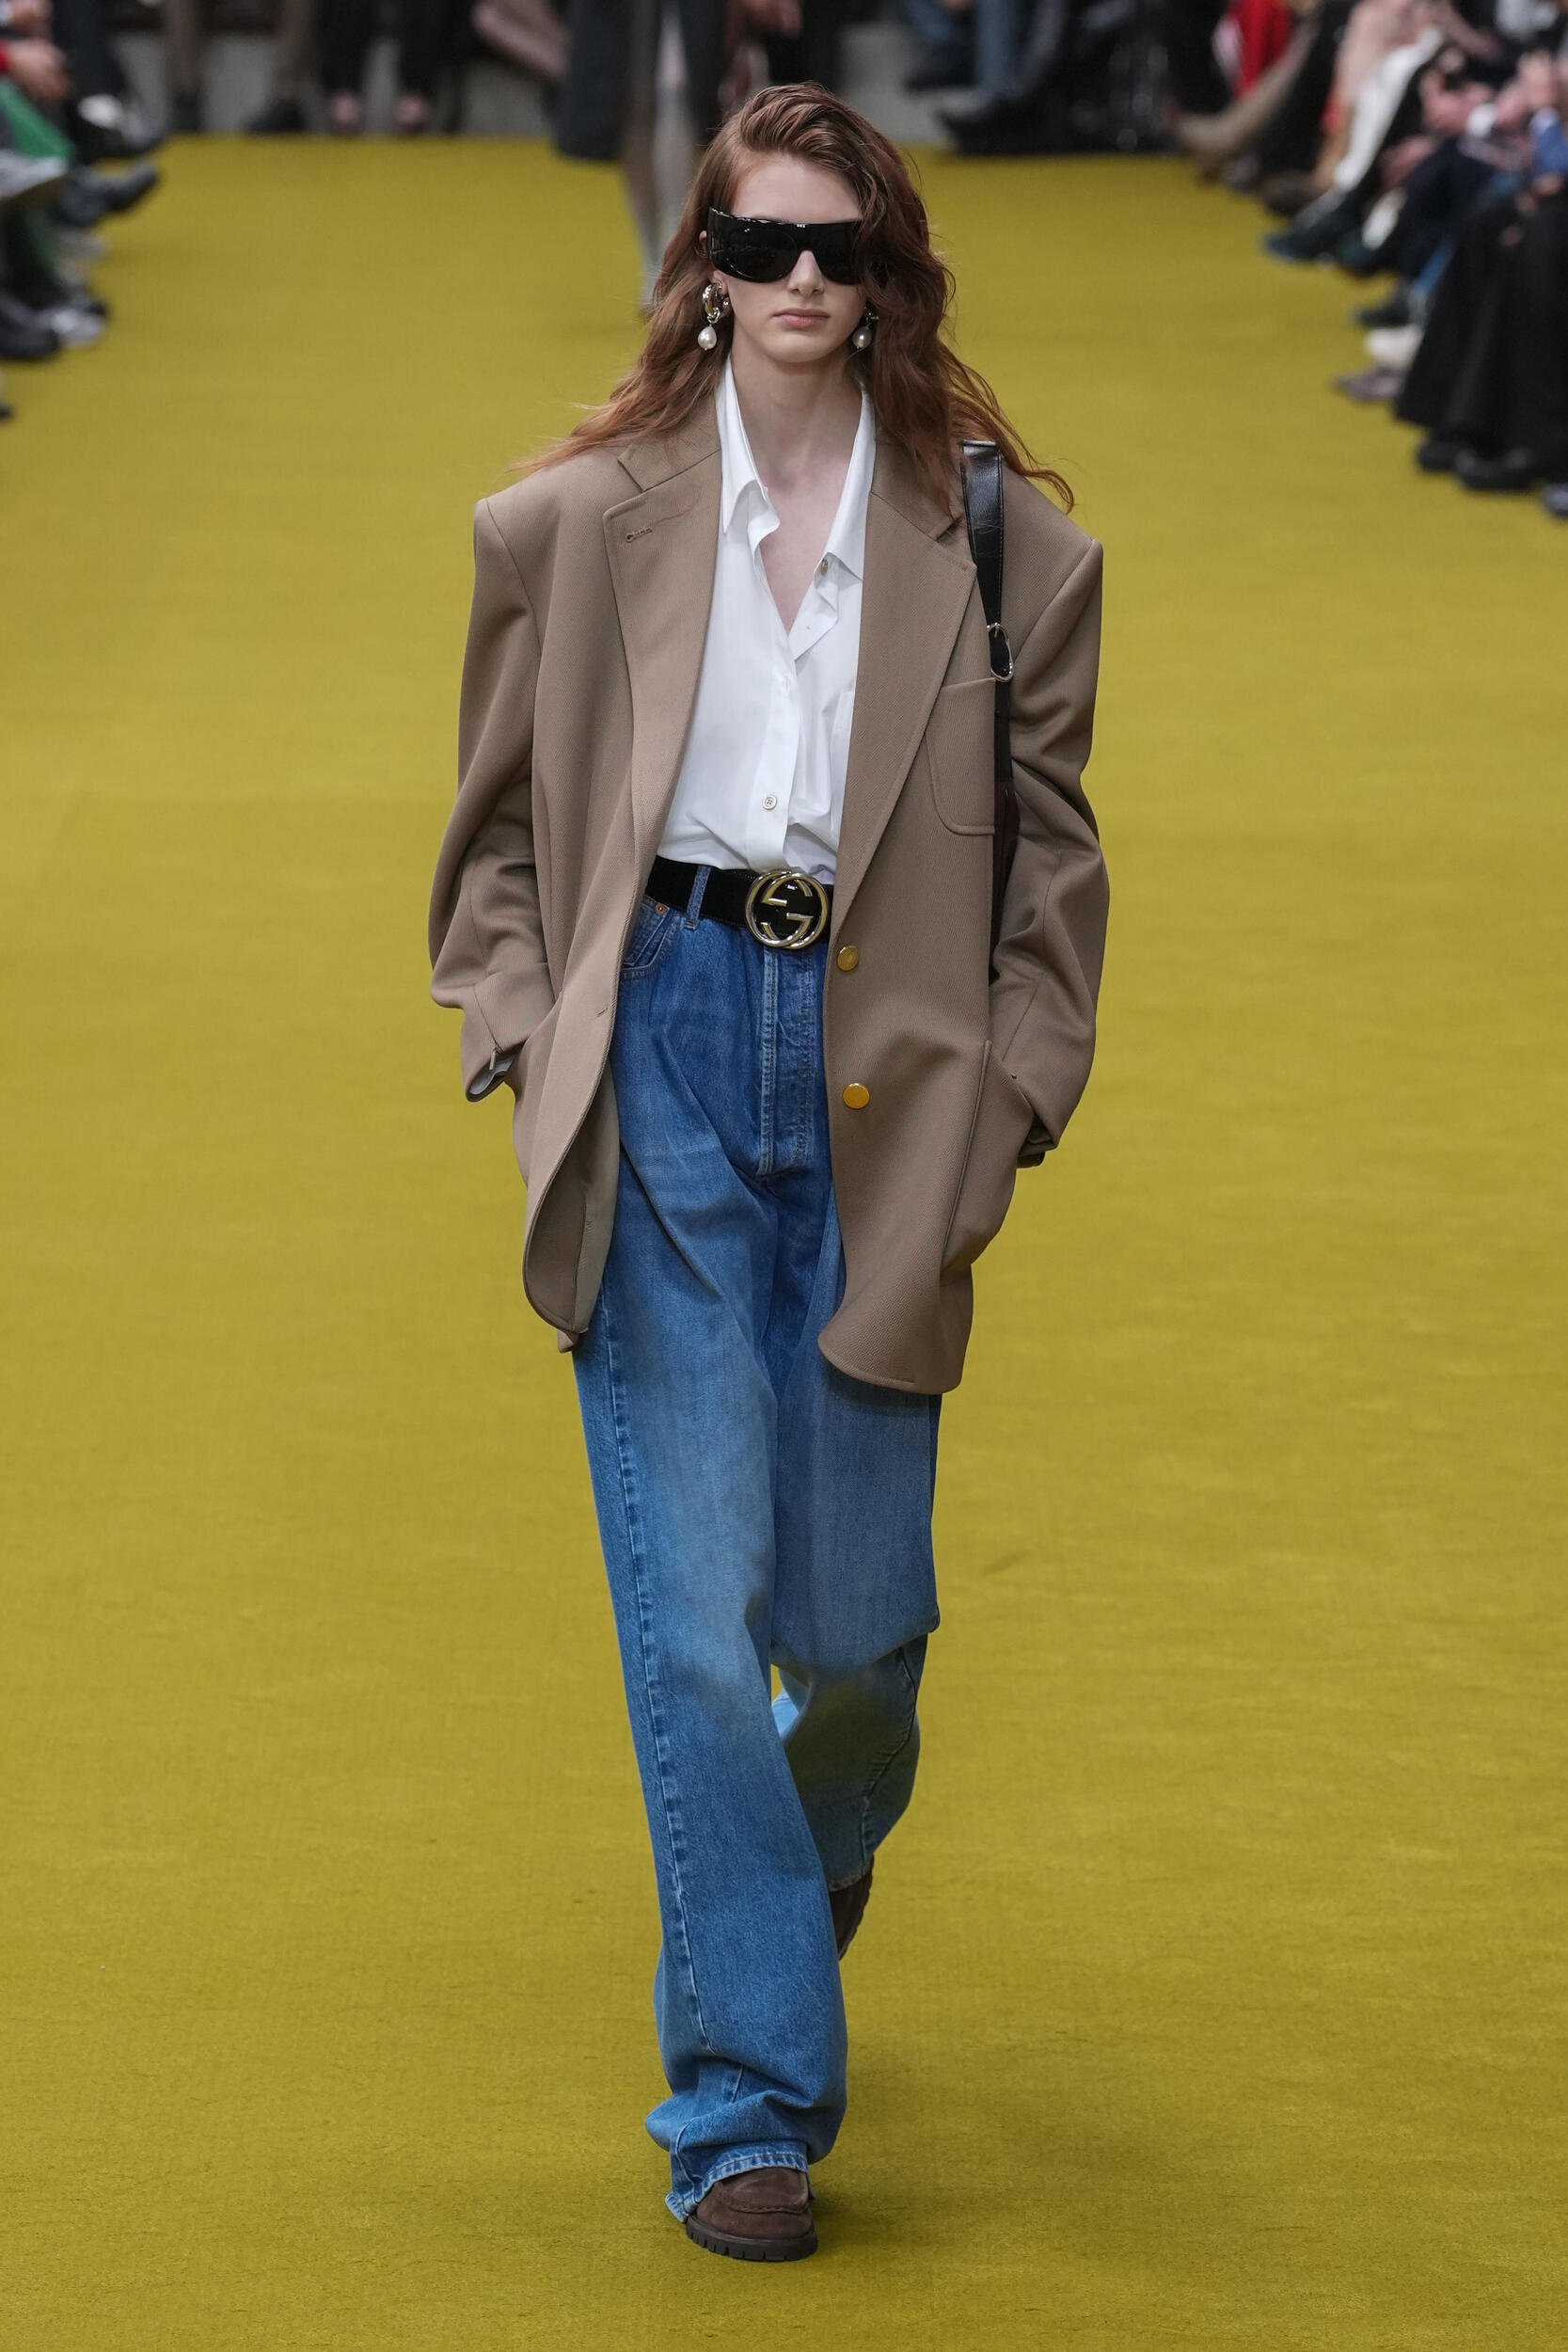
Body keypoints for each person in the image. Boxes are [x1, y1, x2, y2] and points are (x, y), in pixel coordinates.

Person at [428, 82, 1107, 2260]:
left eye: (841, 247)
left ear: (892, 275)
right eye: (759, 243)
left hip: (894, 1084)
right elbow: (491, 842)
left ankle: (785, 1877)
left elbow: (1059, 865)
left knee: (861, 1643)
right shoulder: (567, 524)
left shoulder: (1001, 543)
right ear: (701, 269)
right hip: (662, 1058)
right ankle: (745, 2098)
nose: (800, 280)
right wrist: (531, 1039)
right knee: (701, 1622)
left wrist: (1016, 1092)